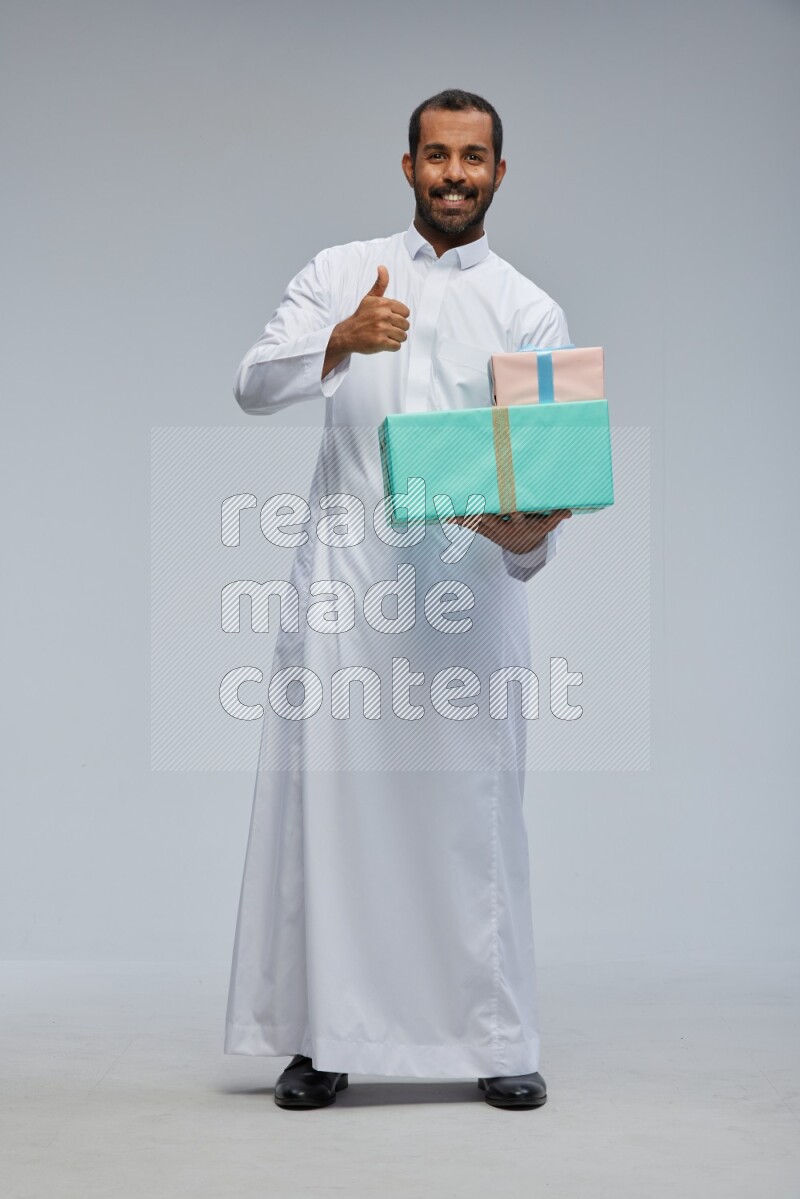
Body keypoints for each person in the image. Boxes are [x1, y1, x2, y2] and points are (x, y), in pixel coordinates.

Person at [224, 88, 573, 1111]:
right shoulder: (342, 271)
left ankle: (497, 1033)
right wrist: (336, 338)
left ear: (498, 172)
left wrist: (529, 532)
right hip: (344, 595)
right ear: (407, 164)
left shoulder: (527, 307)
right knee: (331, 815)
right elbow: (249, 383)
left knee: (474, 814)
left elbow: (540, 472)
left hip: (466, 599)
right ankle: (323, 1038)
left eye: (473, 158)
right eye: (436, 155)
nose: (454, 173)